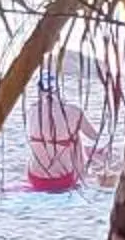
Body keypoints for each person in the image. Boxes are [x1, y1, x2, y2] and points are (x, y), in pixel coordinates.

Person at [24, 61, 97, 193]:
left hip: (35, 178)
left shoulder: (31, 111)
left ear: (39, 90)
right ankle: (85, 175)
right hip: (64, 179)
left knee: (50, 141)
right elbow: (94, 136)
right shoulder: (73, 111)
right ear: (58, 88)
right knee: (74, 137)